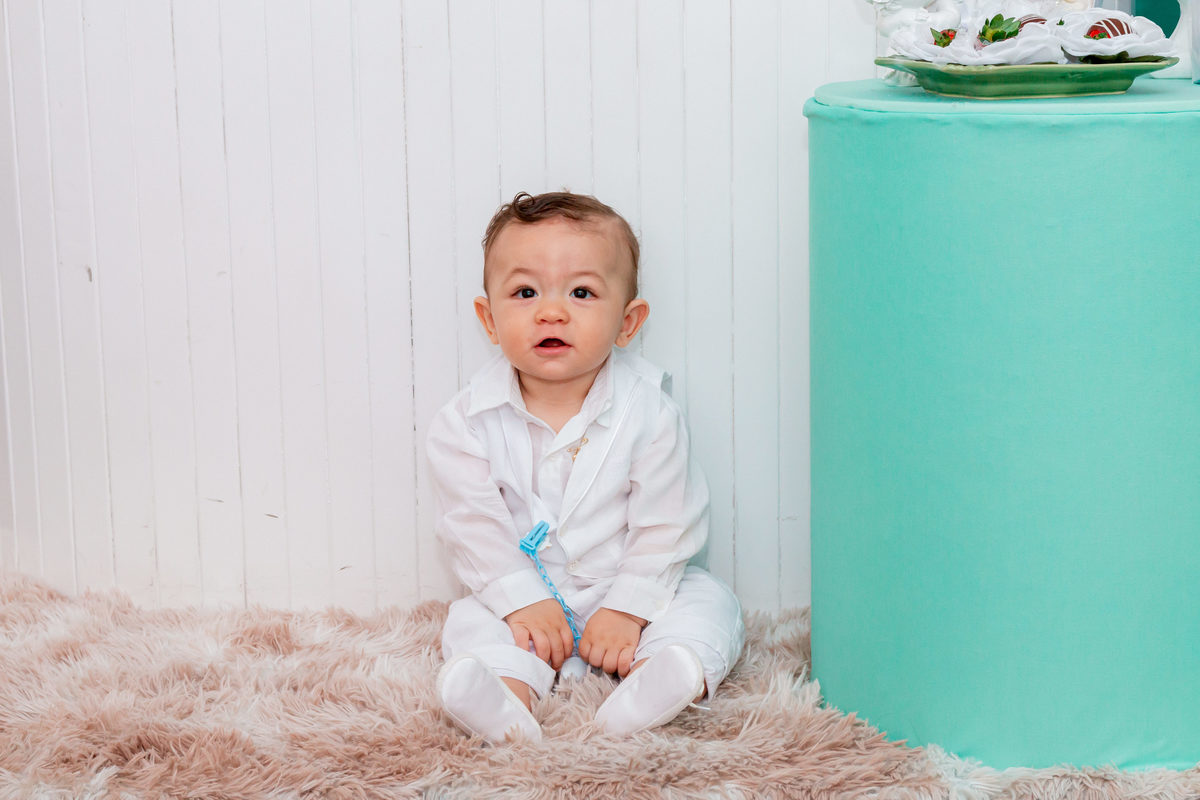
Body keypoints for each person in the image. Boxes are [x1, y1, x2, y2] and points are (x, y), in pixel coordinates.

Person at [427, 191, 745, 744]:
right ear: (489, 319)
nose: (551, 312)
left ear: (628, 322)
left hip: (626, 586)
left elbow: (668, 524)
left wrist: (629, 608)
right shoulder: (464, 422)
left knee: (710, 601)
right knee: (470, 621)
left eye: (581, 292)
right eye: (525, 292)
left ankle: (657, 679)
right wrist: (522, 600)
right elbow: (472, 528)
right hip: (522, 600)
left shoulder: (650, 412)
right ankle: (504, 697)